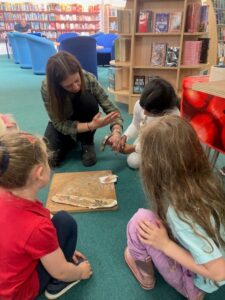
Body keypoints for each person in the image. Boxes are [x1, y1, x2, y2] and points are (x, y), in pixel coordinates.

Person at [124, 115, 225, 299]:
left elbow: (220, 272)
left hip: (197, 281)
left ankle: (148, 278)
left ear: (155, 166)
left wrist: (166, 244)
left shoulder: (180, 212)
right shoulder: (210, 181)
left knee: (139, 222)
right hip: (210, 257)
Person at [0, 132, 92, 300]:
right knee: (65, 221)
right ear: (40, 172)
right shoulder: (37, 227)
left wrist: (52, 248)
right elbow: (61, 271)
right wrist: (80, 272)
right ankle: (57, 285)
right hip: (16, 293)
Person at [41, 51, 123, 167]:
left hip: (84, 117)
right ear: (57, 85)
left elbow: (112, 110)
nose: (75, 87)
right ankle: (71, 140)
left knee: (87, 99)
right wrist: (91, 125)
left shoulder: (88, 78)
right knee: (50, 160)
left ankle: (86, 141)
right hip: (63, 124)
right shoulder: (47, 88)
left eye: (77, 80)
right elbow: (58, 123)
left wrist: (116, 132)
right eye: (68, 85)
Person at [116, 77, 179, 169]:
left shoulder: (174, 116)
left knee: (165, 165)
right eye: (143, 107)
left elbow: (164, 145)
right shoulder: (140, 104)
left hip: (164, 145)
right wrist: (125, 136)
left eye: (150, 111)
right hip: (145, 139)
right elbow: (135, 124)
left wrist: (134, 148)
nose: (144, 112)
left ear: (163, 109)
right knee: (133, 162)